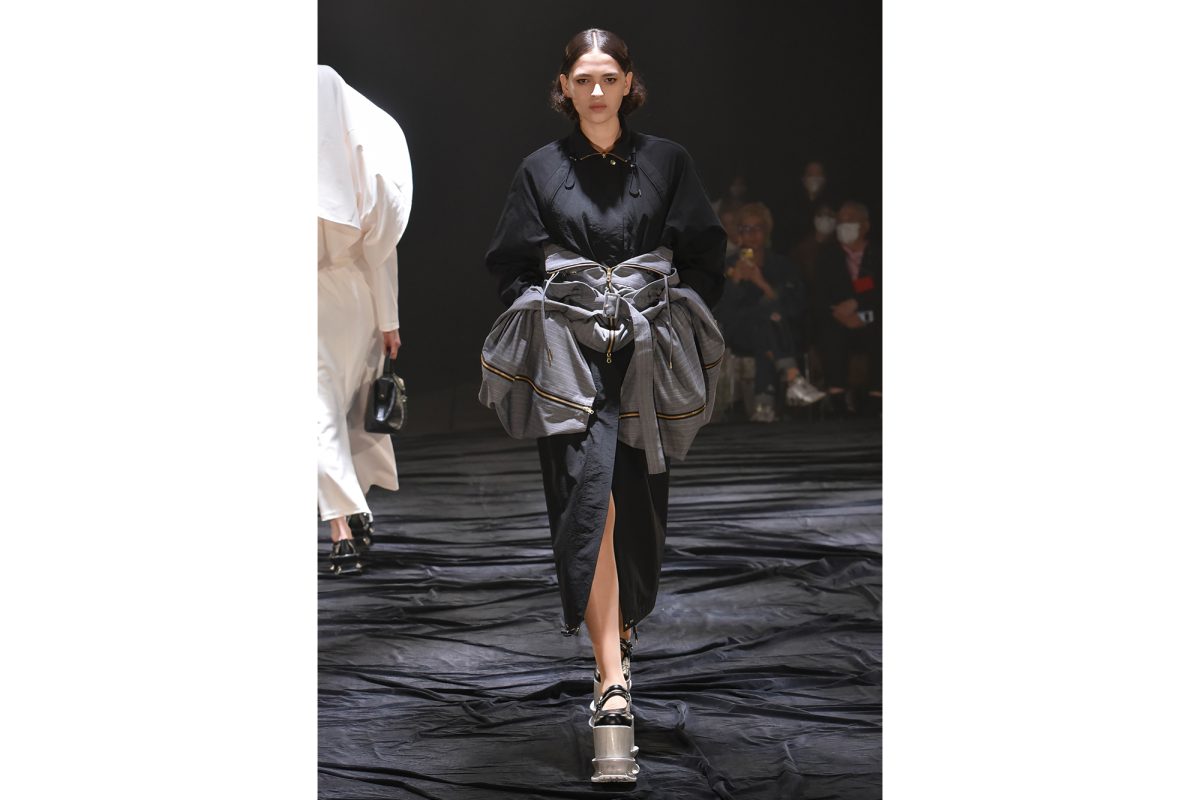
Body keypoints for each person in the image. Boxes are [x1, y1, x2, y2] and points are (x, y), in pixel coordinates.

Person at [479, 29, 725, 783]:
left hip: (644, 356)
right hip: (571, 359)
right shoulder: (539, 169)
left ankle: (619, 635)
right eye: (582, 79)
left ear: (627, 83)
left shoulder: (668, 161)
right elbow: (509, 264)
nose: (594, 91)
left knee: (636, 505)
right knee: (589, 502)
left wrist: (668, 311)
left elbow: (705, 253)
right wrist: (551, 310)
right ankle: (611, 683)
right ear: (564, 85)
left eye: (607, 78)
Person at [316, 65, 413, 575]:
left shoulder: (356, 173)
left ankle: (350, 513)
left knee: (340, 410)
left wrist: (388, 320)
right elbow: (382, 252)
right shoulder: (368, 172)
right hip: (353, 299)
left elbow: (382, 254)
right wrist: (388, 320)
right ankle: (343, 523)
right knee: (326, 411)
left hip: (339, 298)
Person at [716, 202, 824, 422]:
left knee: (765, 326)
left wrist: (762, 283)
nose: (751, 234)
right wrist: (735, 282)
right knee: (766, 318)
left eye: (757, 228)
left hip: (779, 331)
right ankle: (792, 378)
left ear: (767, 232)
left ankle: (764, 407)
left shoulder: (782, 264)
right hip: (740, 334)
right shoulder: (727, 266)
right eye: (745, 229)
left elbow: (796, 305)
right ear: (738, 233)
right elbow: (721, 312)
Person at [815, 200, 881, 416]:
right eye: (841, 221)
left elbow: (879, 292)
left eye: (850, 220)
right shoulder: (828, 256)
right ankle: (837, 396)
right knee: (830, 331)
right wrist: (840, 313)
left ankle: (877, 396)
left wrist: (859, 307)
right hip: (838, 318)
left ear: (865, 225)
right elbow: (821, 295)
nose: (844, 225)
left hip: (871, 317)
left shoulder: (878, 255)